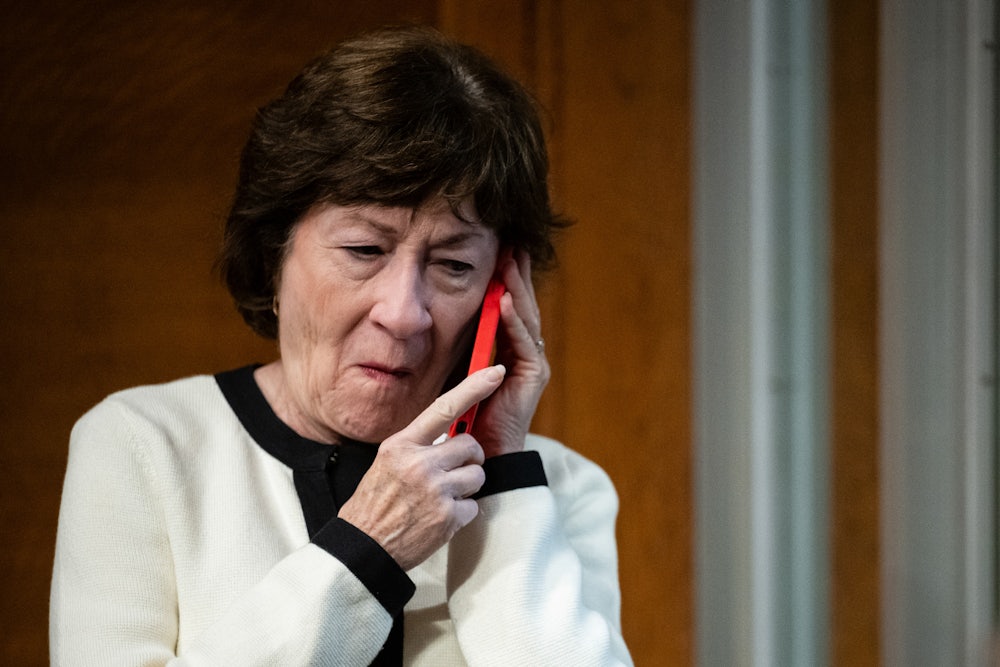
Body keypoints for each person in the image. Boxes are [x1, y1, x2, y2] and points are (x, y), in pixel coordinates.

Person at [50, 25, 631, 666]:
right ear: (275, 253)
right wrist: (367, 551)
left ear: (501, 290)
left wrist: (500, 481)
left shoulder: (560, 490)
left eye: (454, 265)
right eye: (364, 249)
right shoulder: (142, 445)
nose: (404, 314)